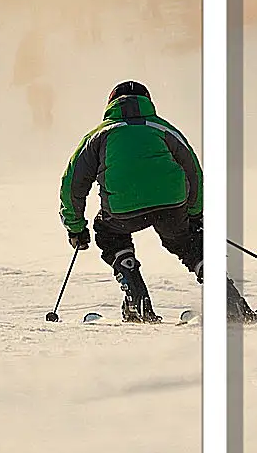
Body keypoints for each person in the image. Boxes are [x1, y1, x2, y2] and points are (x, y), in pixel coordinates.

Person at [58, 80, 202, 323]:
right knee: (187, 243)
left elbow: (72, 184)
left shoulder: (99, 135)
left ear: (111, 104)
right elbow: (193, 172)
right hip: (172, 203)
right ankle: (228, 300)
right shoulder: (163, 129)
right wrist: (195, 214)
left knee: (108, 233)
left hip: (122, 210)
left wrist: (76, 228)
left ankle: (136, 298)